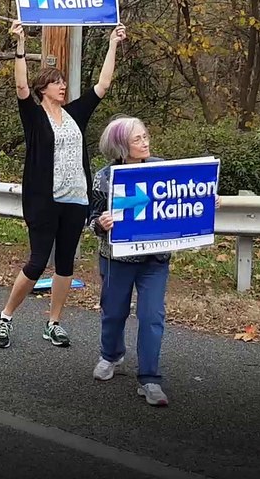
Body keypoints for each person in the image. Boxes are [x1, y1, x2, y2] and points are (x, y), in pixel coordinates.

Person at [0, 20, 126, 349]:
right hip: (44, 201)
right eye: (56, 83)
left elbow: (103, 84)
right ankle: (5, 318)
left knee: (65, 264)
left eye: (63, 82)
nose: (62, 86)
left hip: (76, 200)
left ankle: (53, 323)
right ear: (43, 89)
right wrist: (20, 45)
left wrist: (112, 43)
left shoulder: (75, 114)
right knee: (38, 261)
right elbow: (20, 86)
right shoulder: (34, 116)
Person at [86, 116, 173, 407]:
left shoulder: (162, 169)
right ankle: (111, 355)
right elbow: (92, 218)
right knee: (113, 311)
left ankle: (150, 379)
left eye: (146, 136)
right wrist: (101, 223)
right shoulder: (104, 177)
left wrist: (209, 200)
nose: (145, 142)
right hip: (117, 258)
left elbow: (182, 198)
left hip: (155, 259)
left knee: (152, 316)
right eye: (137, 139)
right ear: (121, 146)